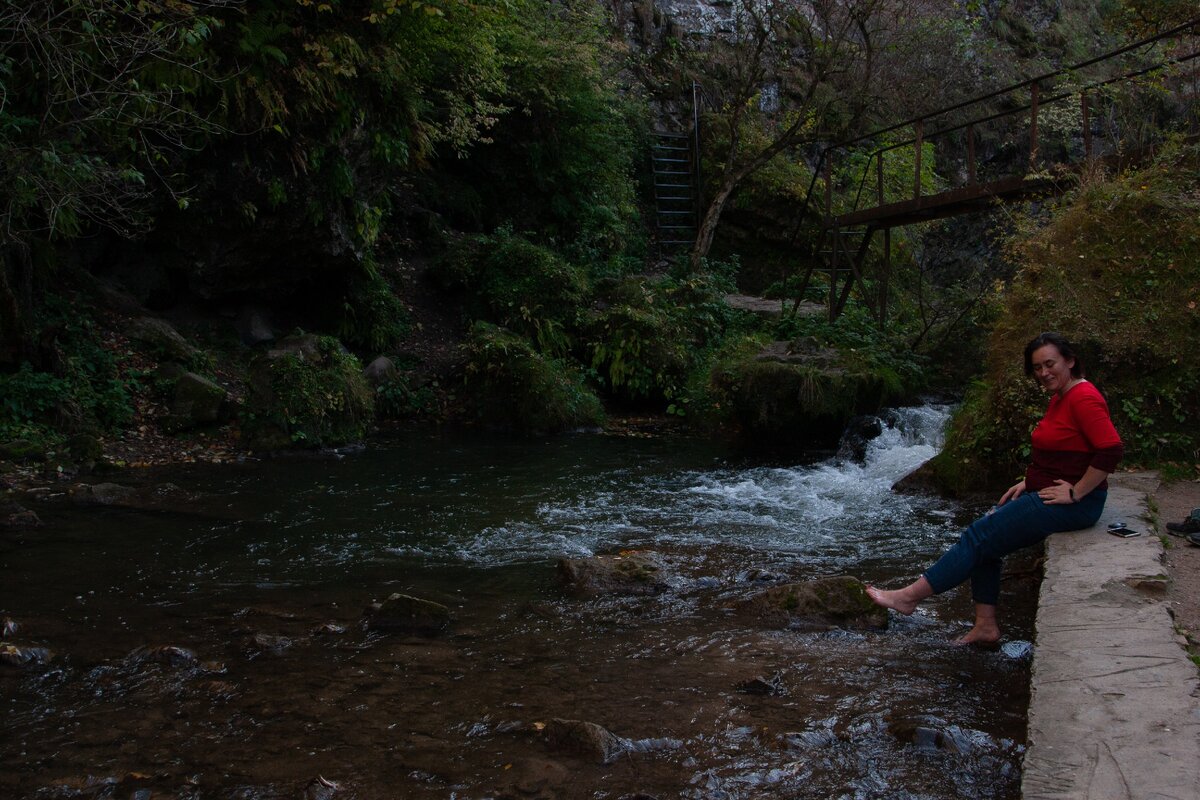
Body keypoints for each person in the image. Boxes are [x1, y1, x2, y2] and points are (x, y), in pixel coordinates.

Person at [867, 332, 1123, 645]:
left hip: (1074, 504)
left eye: (1050, 364)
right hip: (1046, 493)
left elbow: (1110, 448)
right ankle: (985, 626)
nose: (1043, 373)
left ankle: (908, 597)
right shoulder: (1062, 396)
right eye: (1037, 368)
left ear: (1069, 361)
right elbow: (1067, 448)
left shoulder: (1083, 397)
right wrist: (1031, 480)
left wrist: (1077, 491)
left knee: (978, 536)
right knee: (988, 538)